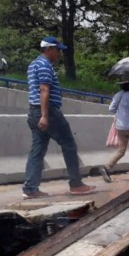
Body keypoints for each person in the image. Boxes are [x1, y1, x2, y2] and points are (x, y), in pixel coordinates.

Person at [22, 36, 95, 199]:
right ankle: (76, 184)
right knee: (69, 144)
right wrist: (45, 116)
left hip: (34, 112)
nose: (59, 53)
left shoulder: (33, 64)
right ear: (49, 49)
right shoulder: (44, 65)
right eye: (58, 50)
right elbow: (44, 90)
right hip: (48, 112)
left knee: (37, 150)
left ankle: (30, 188)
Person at [99, 73, 129, 182]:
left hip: (120, 126)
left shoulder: (118, 94)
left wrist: (121, 113)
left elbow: (111, 108)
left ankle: (106, 167)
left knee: (121, 150)